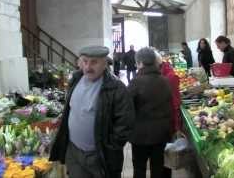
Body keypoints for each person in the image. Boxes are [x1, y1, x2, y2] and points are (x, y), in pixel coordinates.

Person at [49, 45, 135, 178]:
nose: (88, 67)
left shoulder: (116, 88)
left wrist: (109, 147)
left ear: (105, 63)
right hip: (74, 153)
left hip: (100, 157)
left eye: (94, 62)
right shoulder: (75, 80)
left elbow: (125, 124)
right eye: (85, 61)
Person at [128, 47, 172, 178]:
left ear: (140, 63)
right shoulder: (165, 81)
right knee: (158, 168)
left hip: (140, 135)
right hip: (161, 134)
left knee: (139, 168)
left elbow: (128, 108)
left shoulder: (135, 82)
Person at [156, 53, 181, 178]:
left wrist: (176, 126)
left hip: (164, 122)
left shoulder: (169, 77)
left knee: (163, 156)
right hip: (162, 123)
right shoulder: (164, 74)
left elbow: (175, 103)